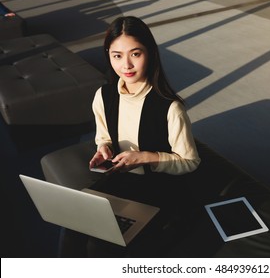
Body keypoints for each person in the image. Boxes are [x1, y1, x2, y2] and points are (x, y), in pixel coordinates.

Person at [59, 16, 201, 257]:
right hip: (120, 181)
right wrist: (103, 147)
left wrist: (147, 157)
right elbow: (102, 136)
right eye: (117, 55)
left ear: (150, 53)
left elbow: (190, 162)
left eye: (135, 54)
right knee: (71, 228)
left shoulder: (169, 107)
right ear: (108, 55)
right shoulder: (103, 96)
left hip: (160, 189)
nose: (126, 65)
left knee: (99, 246)